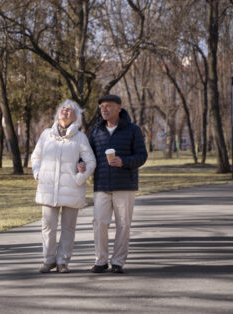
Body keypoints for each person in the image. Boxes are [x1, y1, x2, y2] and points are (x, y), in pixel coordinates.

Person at [31, 99, 96, 273]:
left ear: (76, 117)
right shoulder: (46, 135)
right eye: (63, 109)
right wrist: (37, 173)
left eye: (70, 110)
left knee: (68, 228)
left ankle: (63, 261)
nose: (65, 111)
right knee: (48, 226)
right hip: (48, 189)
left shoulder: (80, 137)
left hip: (71, 189)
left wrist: (80, 177)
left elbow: (91, 162)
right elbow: (36, 157)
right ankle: (48, 260)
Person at [87, 94, 147, 274]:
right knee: (99, 223)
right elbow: (88, 156)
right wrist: (82, 163)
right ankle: (101, 260)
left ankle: (118, 261)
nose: (104, 109)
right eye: (102, 106)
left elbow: (142, 156)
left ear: (119, 108)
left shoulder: (132, 130)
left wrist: (124, 162)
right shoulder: (96, 131)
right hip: (101, 185)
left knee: (123, 224)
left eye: (109, 106)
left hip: (125, 185)